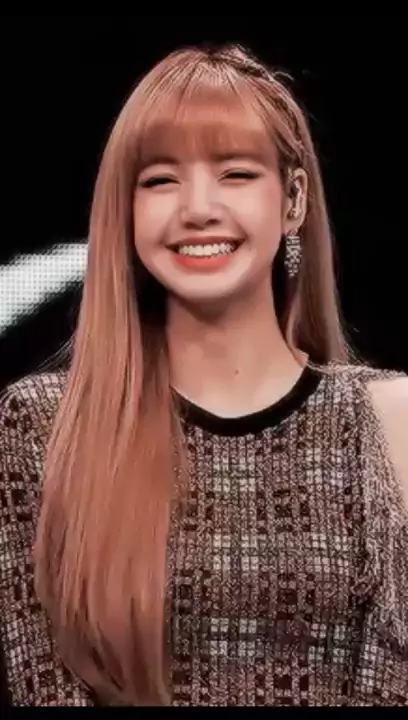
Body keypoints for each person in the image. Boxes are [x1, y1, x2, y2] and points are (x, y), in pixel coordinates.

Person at [0, 43, 407, 708]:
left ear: (294, 199)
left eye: (236, 173)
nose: (197, 208)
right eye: (160, 180)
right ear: (126, 210)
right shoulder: (42, 427)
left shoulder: (388, 421)